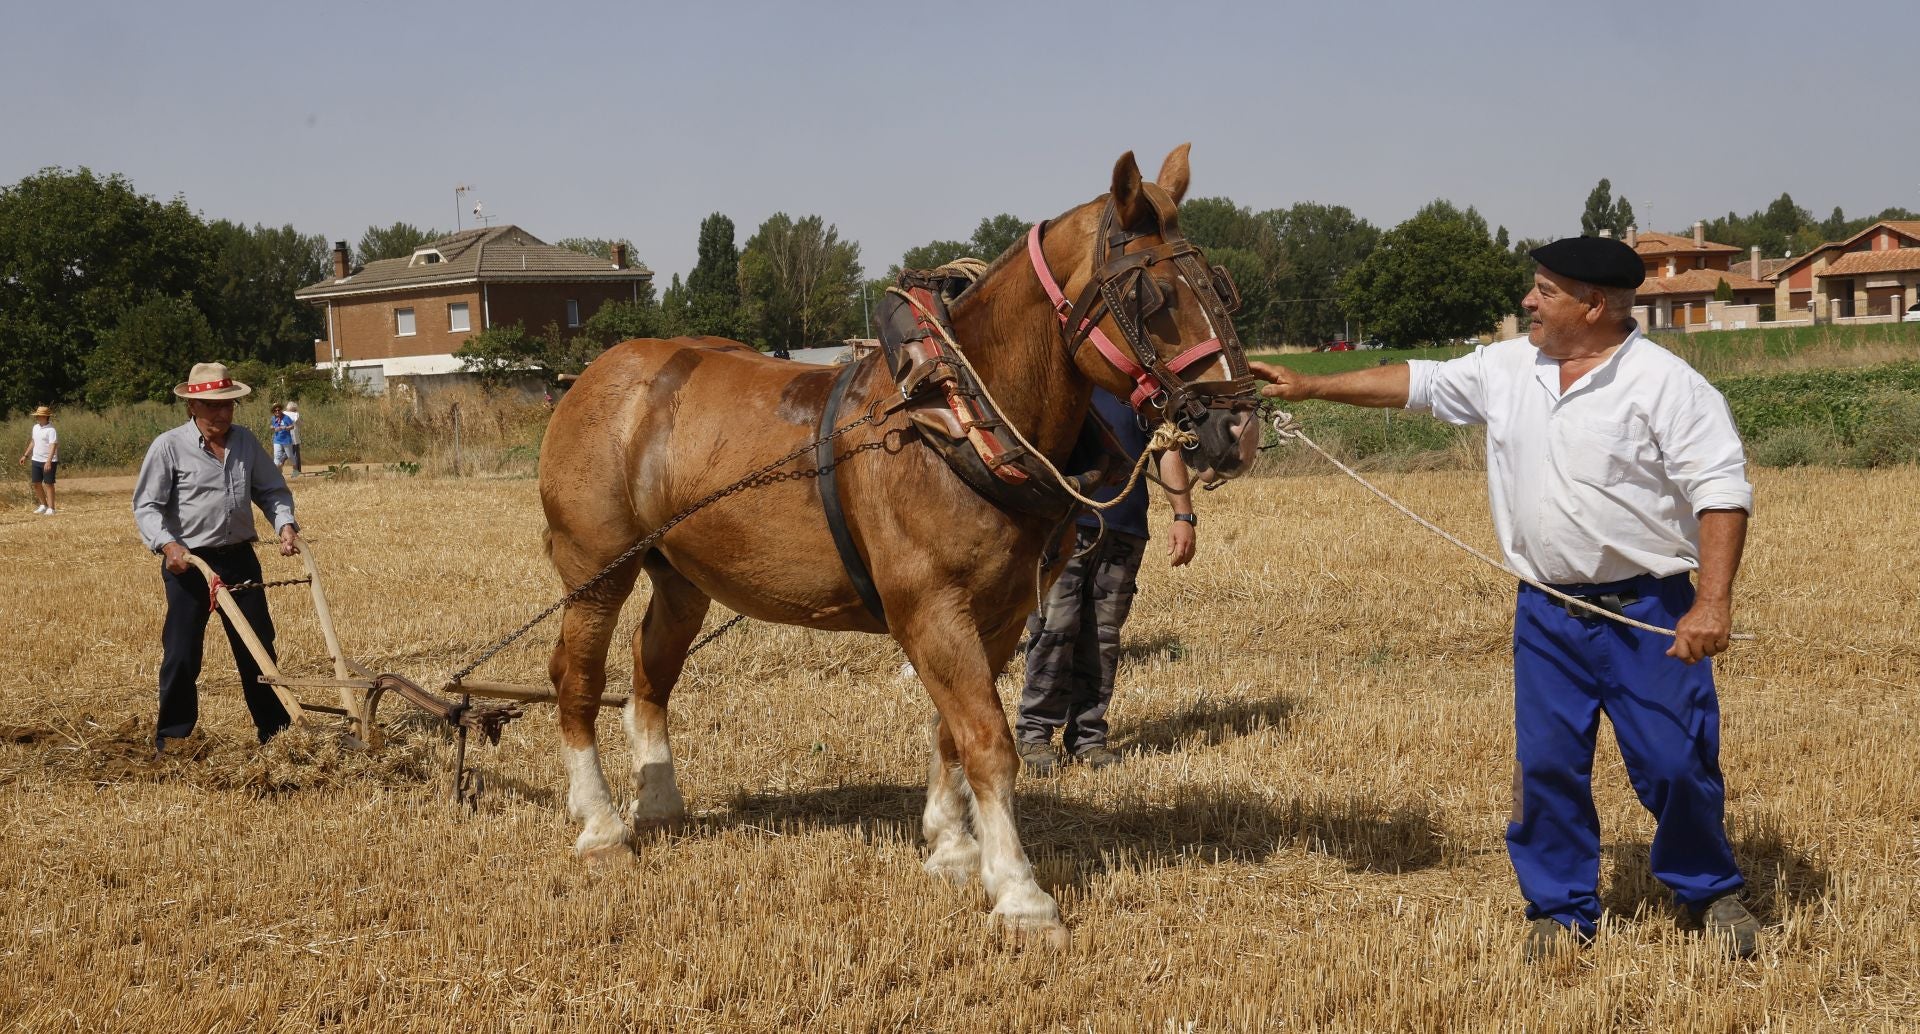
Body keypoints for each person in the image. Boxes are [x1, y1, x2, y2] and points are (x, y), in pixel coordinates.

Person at [1251, 235, 1761, 960]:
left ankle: (1709, 890)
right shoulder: (1508, 368)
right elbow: (1417, 382)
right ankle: (1559, 909)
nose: (1528, 301)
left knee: (1676, 763)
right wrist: (1310, 387)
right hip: (1547, 612)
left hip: (1647, 611)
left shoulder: (1667, 386)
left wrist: (1710, 604)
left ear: (1594, 305)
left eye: (1545, 291)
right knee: (1548, 764)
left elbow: (1720, 493)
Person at [1016, 387, 1197, 775]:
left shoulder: (1145, 393)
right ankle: (1034, 735)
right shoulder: (1066, 380)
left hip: (1125, 529)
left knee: (1103, 637)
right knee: (1055, 628)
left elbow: (1167, 447)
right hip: (1066, 525)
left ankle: (1088, 738)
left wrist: (1183, 516)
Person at [133, 362, 300, 754]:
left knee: (258, 648)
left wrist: (285, 525)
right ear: (192, 406)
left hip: (240, 560)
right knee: (181, 652)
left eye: (227, 406)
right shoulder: (168, 446)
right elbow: (147, 506)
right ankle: (173, 739)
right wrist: (167, 545)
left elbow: (272, 491)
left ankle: (275, 736)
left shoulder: (245, 443)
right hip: (189, 565)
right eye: (211, 406)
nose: (221, 414)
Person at [18, 405, 58, 515]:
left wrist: (49, 461)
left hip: (49, 461)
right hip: (36, 459)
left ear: (46, 417)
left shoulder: (51, 430)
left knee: (49, 484)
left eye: (39, 416)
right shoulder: (35, 427)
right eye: (37, 416)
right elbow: (33, 442)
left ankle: (51, 508)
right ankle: (43, 505)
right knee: (36, 483)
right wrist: (25, 455)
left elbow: (53, 445)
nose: (37, 418)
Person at [269, 403, 295, 473]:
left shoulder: (286, 418)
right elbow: (271, 426)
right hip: (277, 440)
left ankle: (295, 470)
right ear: (273, 411)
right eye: (275, 410)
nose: (277, 411)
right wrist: (273, 428)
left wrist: (285, 427)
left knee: (290, 456)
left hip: (286, 440)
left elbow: (292, 426)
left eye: (278, 410)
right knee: (276, 457)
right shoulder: (273, 418)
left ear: (281, 410)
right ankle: (278, 473)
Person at [283, 401, 303, 474]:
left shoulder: (283, 413)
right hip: (294, 437)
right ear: (294, 408)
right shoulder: (296, 414)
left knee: (284, 452)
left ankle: (277, 466)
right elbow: (300, 424)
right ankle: (297, 470)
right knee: (295, 453)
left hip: (284, 436)